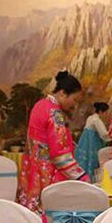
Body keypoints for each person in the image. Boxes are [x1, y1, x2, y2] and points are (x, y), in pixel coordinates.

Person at [16, 71, 88, 214]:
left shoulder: (40, 105)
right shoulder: (55, 114)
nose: (74, 105)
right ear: (62, 93)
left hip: (32, 172)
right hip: (47, 177)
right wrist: (83, 177)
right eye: (74, 99)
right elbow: (60, 156)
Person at [75, 101, 110, 181]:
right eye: (106, 112)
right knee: (93, 160)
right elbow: (104, 134)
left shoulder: (90, 118)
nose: (106, 114)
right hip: (92, 143)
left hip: (85, 142)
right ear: (101, 112)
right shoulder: (96, 120)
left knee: (86, 161)